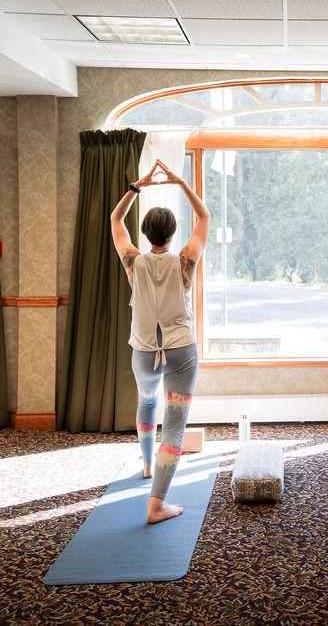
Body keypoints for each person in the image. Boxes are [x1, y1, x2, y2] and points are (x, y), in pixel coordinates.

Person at [110, 160, 209, 524]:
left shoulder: (133, 261)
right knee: (176, 424)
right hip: (181, 349)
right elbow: (204, 218)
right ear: (172, 233)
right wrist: (181, 182)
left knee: (146, 401)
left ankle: (148, 464)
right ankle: (156, 505)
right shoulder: (185, 261)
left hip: (143, 351)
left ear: (146, 233)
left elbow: (115, 221)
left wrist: (138, 185)